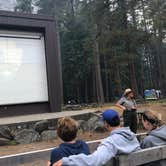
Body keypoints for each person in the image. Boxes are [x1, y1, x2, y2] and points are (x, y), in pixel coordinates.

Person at [51, 109, 140, 166]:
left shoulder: (110, 143)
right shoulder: (131, 135)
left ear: (106, 124)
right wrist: (106, 145)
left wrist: (66, 161)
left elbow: (94, 161)